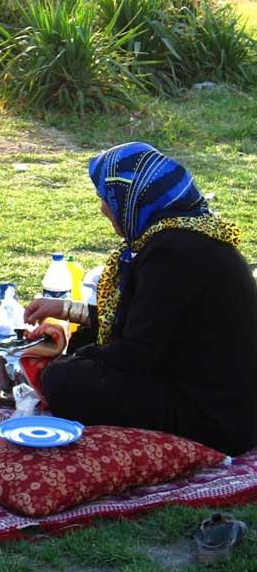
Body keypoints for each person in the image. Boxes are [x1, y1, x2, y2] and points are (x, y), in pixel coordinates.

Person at [23, 142, 257, 456]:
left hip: (213, 418)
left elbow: (137, 353)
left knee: (65, 380)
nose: (103, 208)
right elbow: (144, 318)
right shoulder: (184, 235)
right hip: (221, 399)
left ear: (129, 199)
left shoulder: (172, 251)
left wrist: (71, 362)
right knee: (83, 353)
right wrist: (68, 311)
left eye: (105, 198)